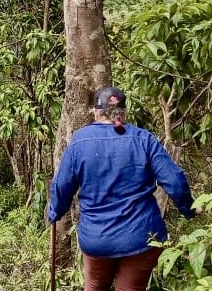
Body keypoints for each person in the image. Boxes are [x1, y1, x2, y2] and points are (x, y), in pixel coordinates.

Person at [47, 86, 198, 291]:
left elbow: (62, 186)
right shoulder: (143, 139)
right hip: (141, 236)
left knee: (95, 285)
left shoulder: (79, 142)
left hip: (97, 237)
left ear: (95, 112)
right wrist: (190, 209)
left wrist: (55, 211)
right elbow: (174, 180)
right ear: (123, 112)